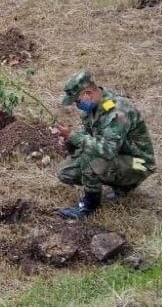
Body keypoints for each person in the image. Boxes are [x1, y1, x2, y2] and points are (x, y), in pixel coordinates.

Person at [54, 71, 156, 220]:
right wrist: (70, 142)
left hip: (140, 164)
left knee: (92, 162)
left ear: (88, 93)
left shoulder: (117, 112)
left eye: (77, 101)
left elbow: (107, 150)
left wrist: (73, 136)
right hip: (119, 154)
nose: (77, 105)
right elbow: (91, 138)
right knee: (66, 171)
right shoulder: (96, 107)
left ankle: (89, 205)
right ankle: (121, 185)